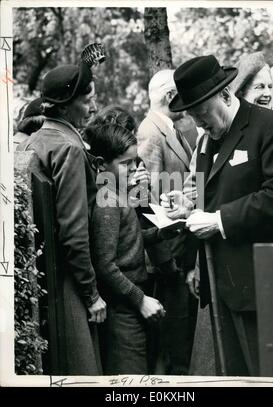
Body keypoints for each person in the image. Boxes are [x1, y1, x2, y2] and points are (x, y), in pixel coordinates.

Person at [161, 55, 273, 376]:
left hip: (257, 285)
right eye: (192, 116)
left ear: (225, 95)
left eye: (202, 114)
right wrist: (188, 207)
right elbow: (211, 198)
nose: (198, 123)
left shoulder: (271, 127)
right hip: (219, 286)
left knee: (261, 376)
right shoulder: (209, 138)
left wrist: (219, 220)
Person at [21, 56, 107, 375]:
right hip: (69, 283)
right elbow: (73, 231)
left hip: (48, 275)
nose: (94, 108)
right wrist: (92, 294)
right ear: (66, 106)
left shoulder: (36, 140)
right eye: (88, 100)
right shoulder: (69, 148)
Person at [86, 121, 166, 374]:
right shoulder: (108, 202)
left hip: (130, 303)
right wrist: (140, 300)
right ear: (101, 164)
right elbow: (105, 264)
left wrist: (162, 232)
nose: (133, 170)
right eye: (125, 164)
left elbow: (128, 240)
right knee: (130, 376)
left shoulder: (118, 193)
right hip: (124, 310)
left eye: (135, 162)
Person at [137, 69, 197, 375]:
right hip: (165, 257)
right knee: (169, 343)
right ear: (171, 96)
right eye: (183, 93)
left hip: (178, 250)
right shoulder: (150, 133)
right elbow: (143, 201)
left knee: (179, 337)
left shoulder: (170, 128)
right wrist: (163, 260)